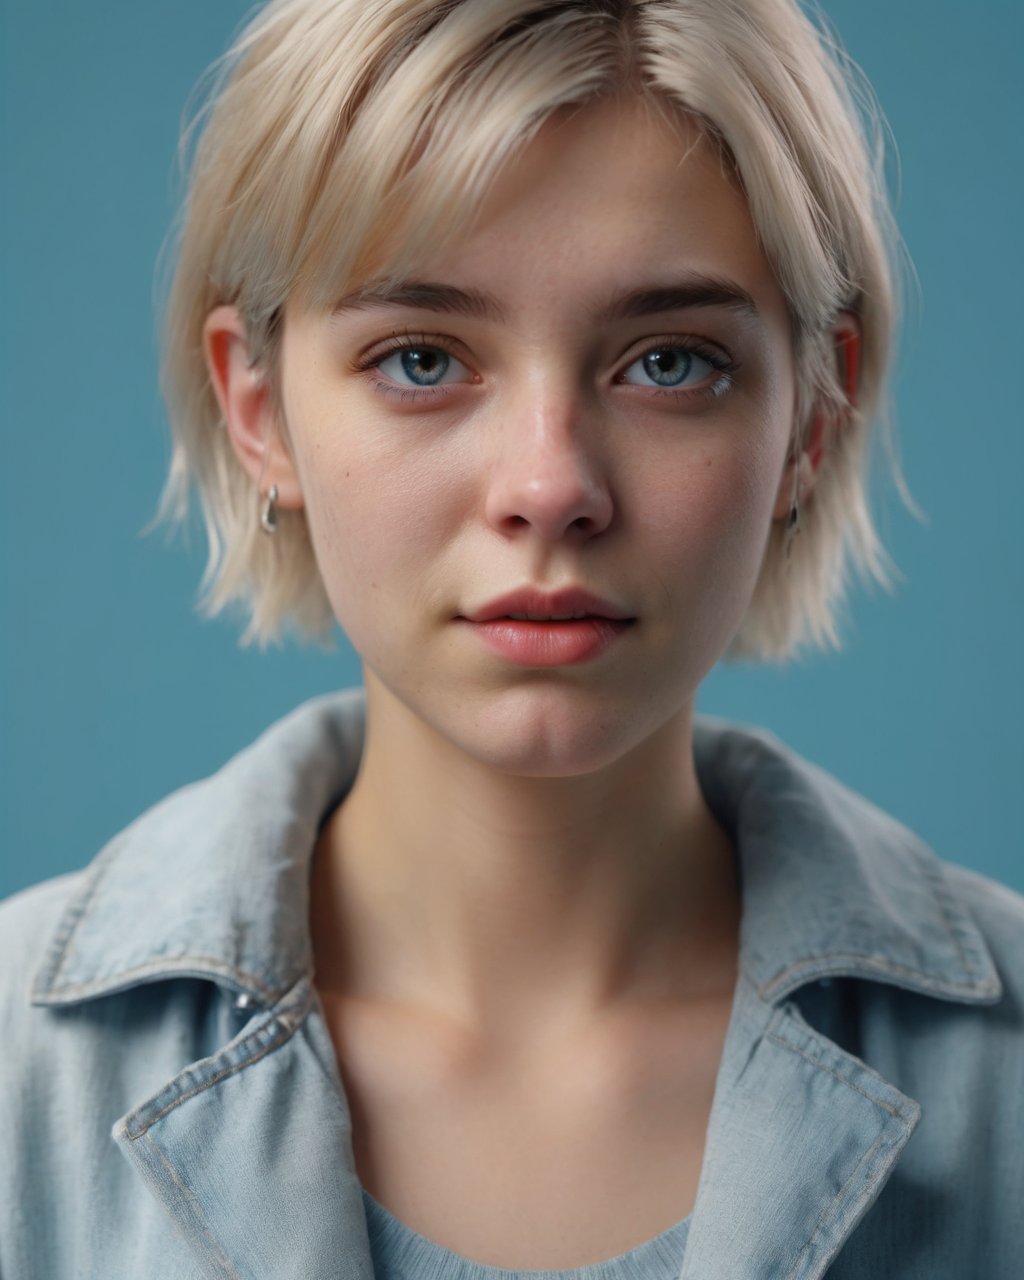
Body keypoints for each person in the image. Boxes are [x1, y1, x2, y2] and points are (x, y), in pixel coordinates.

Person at [2, 1, 1021, 1276]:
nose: (550, 485)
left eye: (669, 363)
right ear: (256, 408)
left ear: (812, 418)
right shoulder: (14, 1076)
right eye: (422, 357)